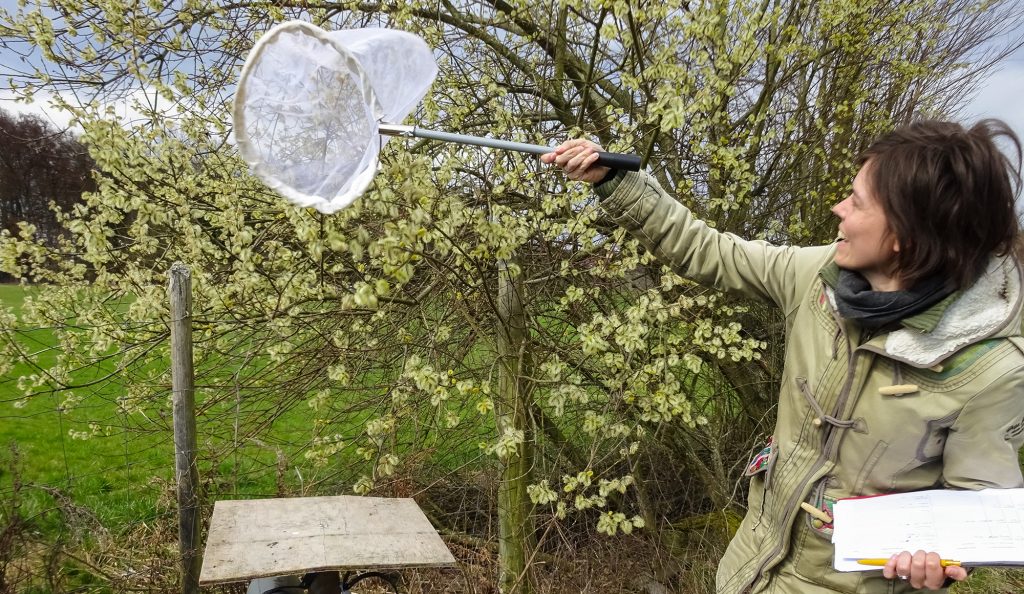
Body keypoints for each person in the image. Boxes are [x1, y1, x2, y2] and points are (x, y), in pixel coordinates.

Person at [542, 119, 1024, 593]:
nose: (838, 208)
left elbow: (980, 513)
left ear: (906, 238)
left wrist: (940, 562)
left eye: (856, 202)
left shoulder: (989, 367)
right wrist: (614, 179)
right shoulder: (819, 276)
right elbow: (704, 249)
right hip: (748, 572)